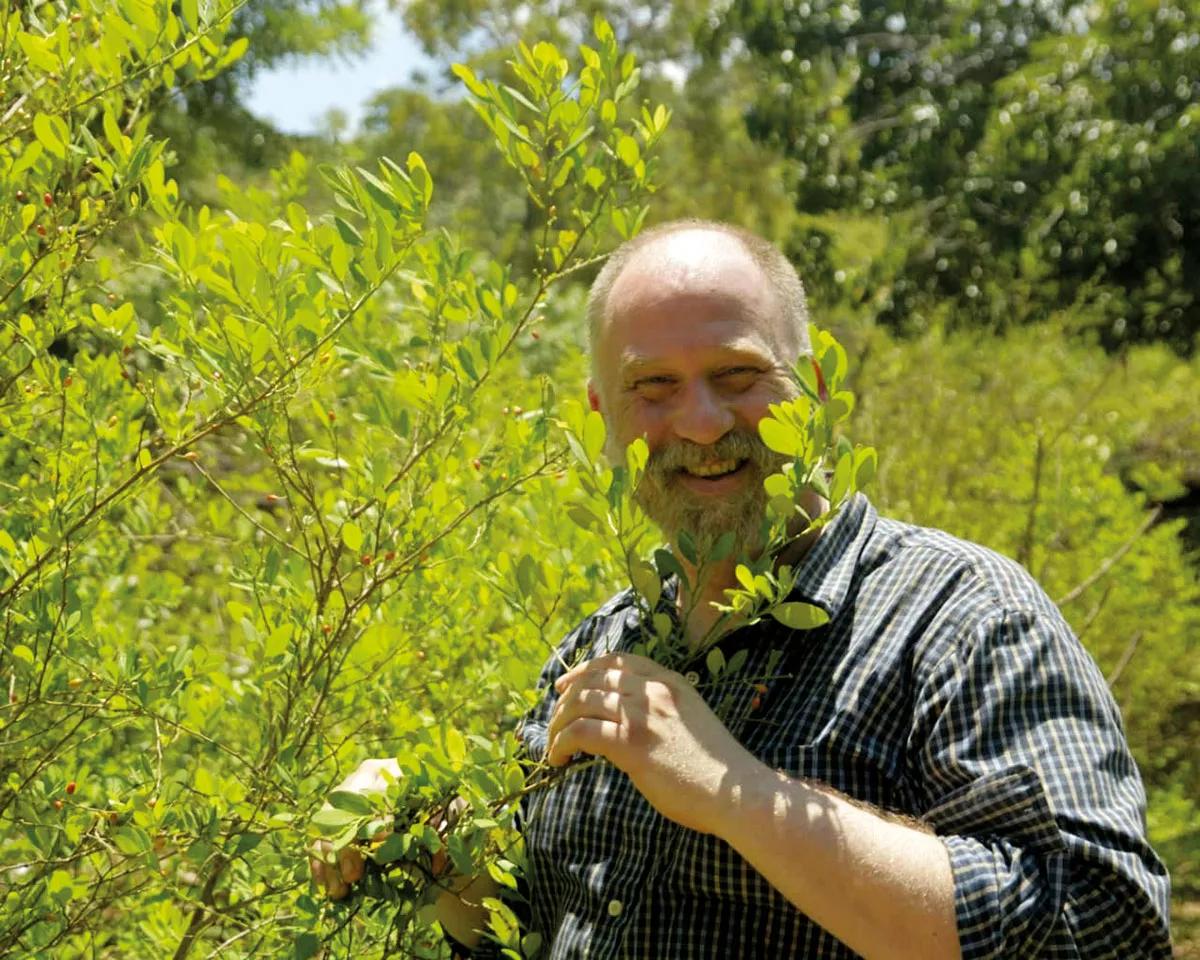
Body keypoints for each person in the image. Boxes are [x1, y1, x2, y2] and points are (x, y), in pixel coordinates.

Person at [314, 220, 1172, 958]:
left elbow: (1102, 928)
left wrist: (732, 790)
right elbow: (531, 933)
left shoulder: (966, 617)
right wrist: (439, 858)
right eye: (653, 387)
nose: (701, 423)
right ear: (602, 419)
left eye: (737, 377)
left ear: (818, 389)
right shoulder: (596, 647)